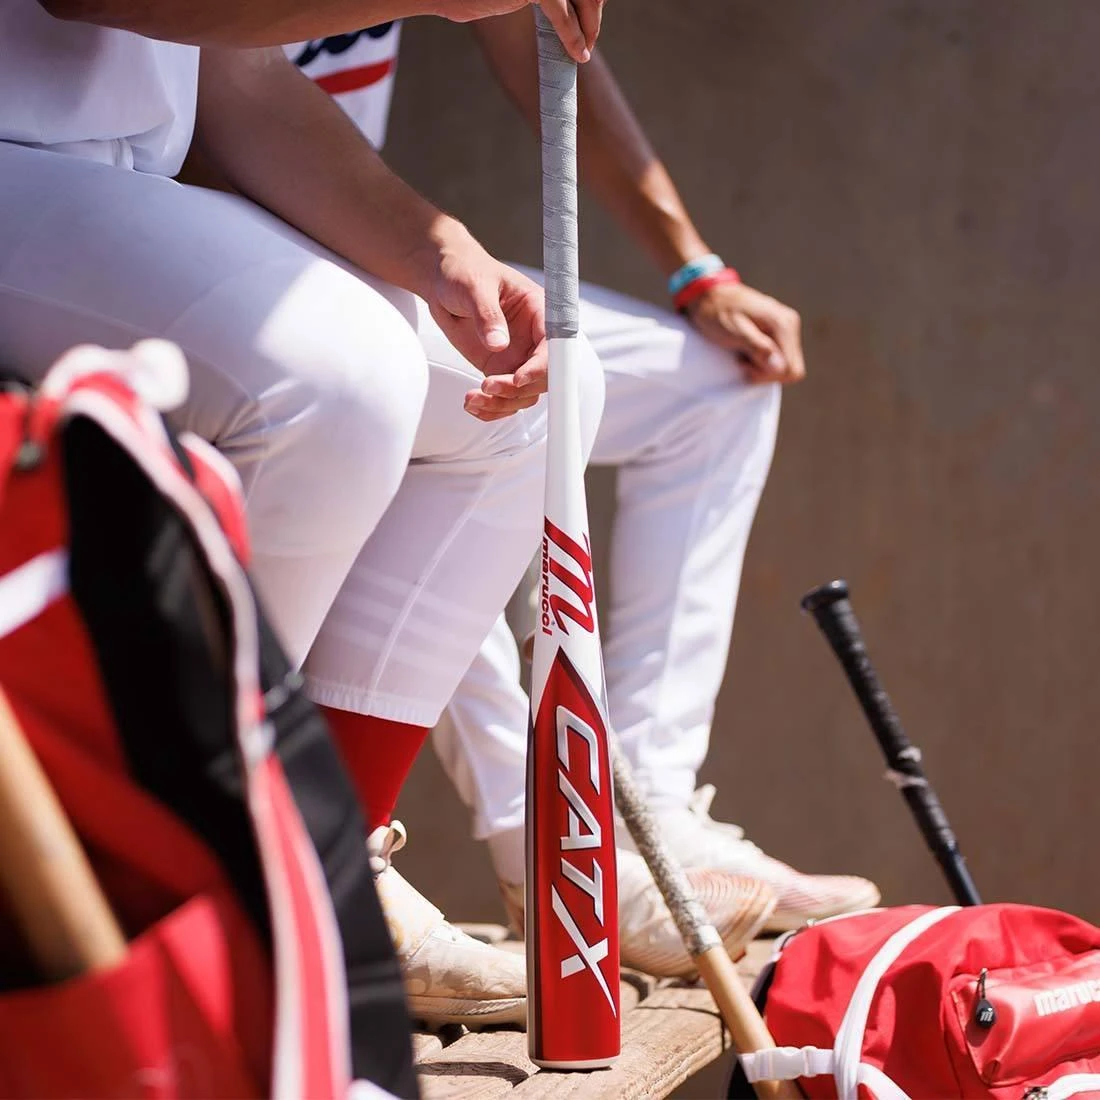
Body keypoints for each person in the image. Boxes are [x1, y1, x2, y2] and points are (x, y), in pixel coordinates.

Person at [0, 0, 606, 1031]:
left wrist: (433, 245)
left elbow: (237, 84)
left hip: (108, 185)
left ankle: (324, 862)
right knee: (338, 378)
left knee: (548, 391)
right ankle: (178, 876)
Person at [290, 6, 881, 946]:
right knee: (467, 415)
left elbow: (549, 57)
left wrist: (696, 271)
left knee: (716, 391)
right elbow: (187, 104)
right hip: (262, 243)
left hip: (372, 247)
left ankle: (654, 807)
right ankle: (553, 847)